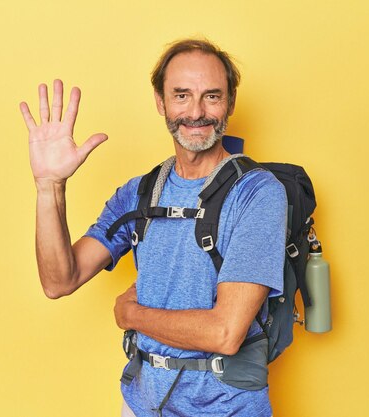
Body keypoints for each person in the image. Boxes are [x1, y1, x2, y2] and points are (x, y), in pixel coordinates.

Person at [19, 39, 286, 417]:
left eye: (212, 96)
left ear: (230, 102)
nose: (196, 112)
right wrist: (49, 186)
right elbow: (59, 280)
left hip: (225, 409)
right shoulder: (140, 193)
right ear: (160, 102)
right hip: (141, 404)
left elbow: (225, 334)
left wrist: (131, 315)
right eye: (181, 95)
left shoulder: (257, 193)